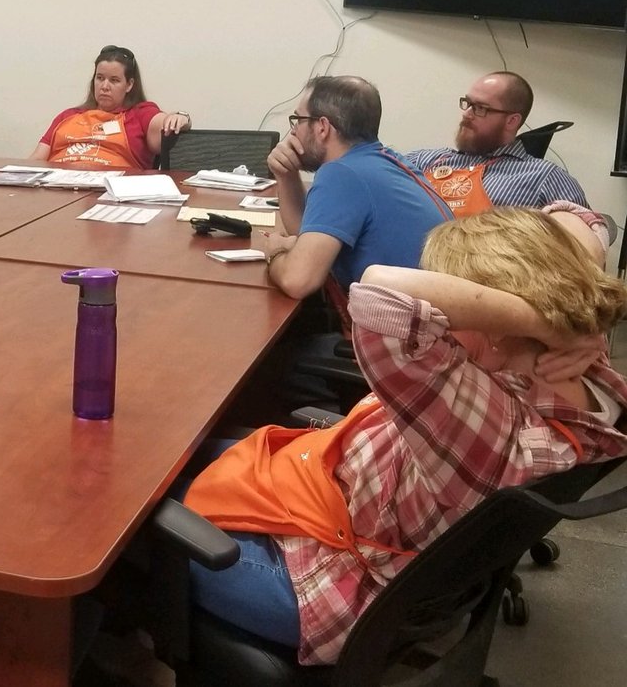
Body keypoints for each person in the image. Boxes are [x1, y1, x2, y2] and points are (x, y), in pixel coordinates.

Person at [181, 208, 627, 666]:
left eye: (460, 307)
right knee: (179, 455)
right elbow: (590, 225)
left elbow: (379, 290)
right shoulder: (587, 375)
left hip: (324, 580)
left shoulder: (492, 429)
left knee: (129, 522)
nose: (443, 315)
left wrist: (537, 321)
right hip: (354, 497)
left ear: (500, 327)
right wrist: (567, 317)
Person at [258, 75, 453, 301]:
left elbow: (298, 280)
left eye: (298, 120)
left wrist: (275, 252)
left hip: (404, 332)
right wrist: (287, 175)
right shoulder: (384, 162)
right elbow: (307, 239)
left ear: (322, 127)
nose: (293, 132)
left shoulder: (342, 174)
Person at [404, 71, 589, 216]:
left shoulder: (545, 178)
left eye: (480, 108)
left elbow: (583, 246)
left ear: (512, 121)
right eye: (467, 103)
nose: (467, 113)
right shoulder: (423, 160)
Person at [29, 45, 191, 169]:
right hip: (57, 188)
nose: (104, 86)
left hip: (111, 192)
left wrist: (182, 118)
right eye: (100, 78)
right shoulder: (68, 115)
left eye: (114, 80)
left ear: (129, 85)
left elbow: (167, 124)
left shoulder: (140, 113)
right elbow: (36, 160)